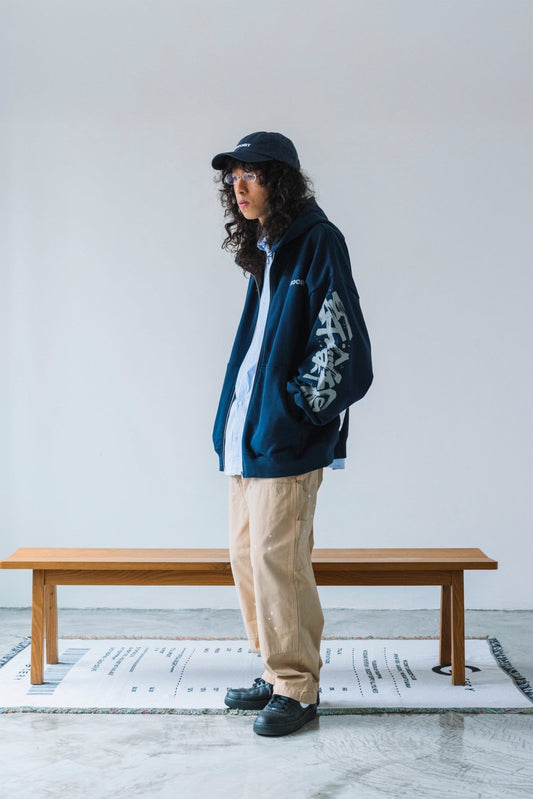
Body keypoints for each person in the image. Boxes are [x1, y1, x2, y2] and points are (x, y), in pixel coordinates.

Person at [211, 131, 373, 736]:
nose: (239, 186)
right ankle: (275, 671)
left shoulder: (317, 242)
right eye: (233, 177)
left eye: (251, 175)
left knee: (280, 562)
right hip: (249, 436)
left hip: (284, 439)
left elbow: (342, 345)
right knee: (248, 558)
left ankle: (297, 686)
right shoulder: (270, 249)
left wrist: (296, 409)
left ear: (280, 182)